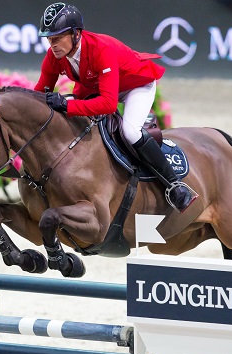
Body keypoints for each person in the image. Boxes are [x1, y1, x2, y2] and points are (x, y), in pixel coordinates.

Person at [34, 3, 198, 213]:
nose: (52, 44)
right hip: (99, 85)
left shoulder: (101, 49)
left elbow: (108, 104)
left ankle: (175, 186)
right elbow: (38, 94)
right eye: (49, 38)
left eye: (57, 38)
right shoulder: (55, 56)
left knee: (130, 132)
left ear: (76, 34)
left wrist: (67, 104)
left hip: (135, 85)